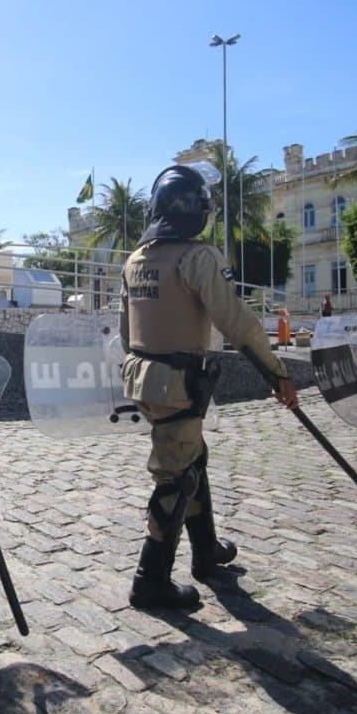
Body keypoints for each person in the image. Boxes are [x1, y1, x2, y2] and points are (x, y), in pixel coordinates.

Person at [120, 164, 298, 610]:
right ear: (196, 211)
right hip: (178, 381)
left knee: (193, 457)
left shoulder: (136, 260)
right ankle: (150, 578)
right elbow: (236, 321)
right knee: (176, 476)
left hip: (142, 375)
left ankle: (206, 550)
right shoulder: (198, 257)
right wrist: (276, 372)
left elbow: (126, 329)